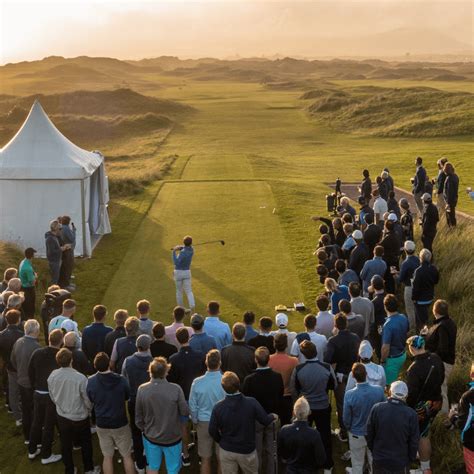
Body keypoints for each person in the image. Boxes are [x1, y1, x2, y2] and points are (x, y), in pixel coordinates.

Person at [209, 371, 277, 474]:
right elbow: (265, 420)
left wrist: (221, 440)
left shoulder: (218, 407)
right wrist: (273, 416)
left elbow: (212, 430)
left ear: (223, 388)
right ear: (239, 384)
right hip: (247, 450)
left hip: (227, 450)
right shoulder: (251, 402)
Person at [135, 357, 189, 474]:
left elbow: (138, 417)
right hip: (172, 437)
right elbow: (184, 412)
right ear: (166, 371)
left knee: (153, 467)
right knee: (173, 469)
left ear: (150, 371)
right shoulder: (176, 389)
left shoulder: (142, 389)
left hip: (151, 437)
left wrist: (145, 429)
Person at [48, 348, 97, 474]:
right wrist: (89, 410)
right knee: (86, 443)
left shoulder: (52, 375)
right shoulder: (80, 378)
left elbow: (52, 396)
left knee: (65, 444)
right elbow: (87, 399)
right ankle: (89, 469)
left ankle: (69, 470)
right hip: (79, 416)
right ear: (71, 360)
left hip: (62, 415)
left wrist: (60, 406)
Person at [291, 340, 337, 472]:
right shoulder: (326, 367)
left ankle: (305, 461)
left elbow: (293, 388)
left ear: (304, 354)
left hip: (306, 408)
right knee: (325, 435)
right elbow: (333, 385)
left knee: (303, 436)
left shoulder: (299, 369)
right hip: (322, 406)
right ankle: (327, 465)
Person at [87, 352, 135, 474]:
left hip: (102, 423)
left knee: (107, 456)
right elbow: (127, 396)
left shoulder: (90, 381)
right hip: (120, 423)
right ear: (109, 364)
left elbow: (90, 398)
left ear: (95, 365)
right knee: (126, 455)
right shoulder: (121, 380)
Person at [406, 336, 445, 474]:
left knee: (423, 436)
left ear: (411, 348)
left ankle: (425, 468)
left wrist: (408, 408)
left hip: (422, 407)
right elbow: (442, 378)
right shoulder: (436, 358)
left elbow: (411, 395)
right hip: (436, 401)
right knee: (424, 432)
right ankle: (421, 456)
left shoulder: (414, 368)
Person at [242, 347, 283, 473]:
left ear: (256, 360)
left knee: (258, 450)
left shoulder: (249, 379)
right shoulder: (277, 377)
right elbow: (280, 396)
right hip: (271, 418)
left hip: (257, 419)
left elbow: (245, 401)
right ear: (268, 359)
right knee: (271, 451)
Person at [168, 327, 206, 466]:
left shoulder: (173, 359)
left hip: (182, 397)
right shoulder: (200, 355)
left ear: (178, 340)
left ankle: (186, 455)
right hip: (196, 396)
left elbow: (171, 381)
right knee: (199, 425)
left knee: (183, 426)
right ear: (189, 338)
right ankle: (202, 455)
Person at [367, 381, 420, 473]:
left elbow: (369, 433)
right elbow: (414, 441)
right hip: (400, 462)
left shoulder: (377, 408)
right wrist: (410, 459)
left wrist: (375, 450)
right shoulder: (411, 414)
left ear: (390, 392)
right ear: (406, 396)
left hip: (379, 459)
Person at [27, 328, 63, 465]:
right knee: (48, 425)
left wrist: (34, 386)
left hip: (38, 393)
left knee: (36, 422)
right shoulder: (60, 356)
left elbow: (30, 371)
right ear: (61, 341)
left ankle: (32, 450)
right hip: (50, 396)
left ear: (49, 339)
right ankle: (46, 455)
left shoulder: (37, 352)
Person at [343, 363, 385, 474]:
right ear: (366, 374)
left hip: (356, 433)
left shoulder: (349, 395)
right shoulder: (379, 390)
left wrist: (349, 429)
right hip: (374, 433)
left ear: (352, 376)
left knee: (357, 464)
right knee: (374, 462)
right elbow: (383, 409)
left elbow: (346, 418)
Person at [324, 314, 360, 442]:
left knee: (342, 405)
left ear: (335, 325)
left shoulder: (333, 341)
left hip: (341, 377)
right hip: (355, 375)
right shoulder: (355, 338)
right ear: (347, 324)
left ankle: (345, 432)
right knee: (354, 403)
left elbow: (327, 360)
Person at [121, 334, 154, 474]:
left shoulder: (128, 361)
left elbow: (123, 379)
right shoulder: (153, 361)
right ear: (148, 347)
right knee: (149, 430)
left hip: (134, 400)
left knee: (136, 431)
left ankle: (140, 464)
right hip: (149, 401)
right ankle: (146, 461)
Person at [189, 350, 225, 474]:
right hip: (221, 423)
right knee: (222, 459)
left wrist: (195, 420)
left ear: (206, 362)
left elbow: (192, 405)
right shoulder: (225, 380)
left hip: (203, 423)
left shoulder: (197, 382)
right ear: (219, 363)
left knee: (205, 458)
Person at [277, 396, 327, 473]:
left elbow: (281, 453)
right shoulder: (314, 434)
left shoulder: (284, 430)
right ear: (308, 413)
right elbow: (321, 459)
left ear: (293, 412)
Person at [424, 299, 457, 413]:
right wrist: (428, 334)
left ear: (434, 311)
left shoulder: (442, 326)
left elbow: (443, 349)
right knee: (440, 389)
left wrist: (429, 355)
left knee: (441, 390)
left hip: (442, 363)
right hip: (446, 361)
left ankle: (443, 418)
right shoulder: (450, 322)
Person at [11, 318, 41, 443]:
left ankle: (27, 437)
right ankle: (36, 440)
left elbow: (13, 361)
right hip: (31, 384)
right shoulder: (36, 347)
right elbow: (38, 369)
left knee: (26, 410)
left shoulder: (18, 341)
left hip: (21, 381)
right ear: (36, 331)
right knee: (34, 413)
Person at [0, 309, 24, 426]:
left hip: (9, 367)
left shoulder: (1, 335)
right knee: (24, 391)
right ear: (18, 320)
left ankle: (18, 418)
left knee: (13, 392)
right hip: (21, 367)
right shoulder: (21, 335)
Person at [269, 333, 298, 426]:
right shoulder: (294, 361)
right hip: (287, 399)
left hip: (274, 397)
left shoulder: (268, 359)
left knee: (273, 427)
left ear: (274, 344)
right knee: (286, 425)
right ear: (286, 345)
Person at [380, 294, 409, 386]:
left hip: (392, 360)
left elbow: (385, 348)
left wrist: (382, 361)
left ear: (385, 307)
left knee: (389, 386)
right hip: (403, 354)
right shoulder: (403, 317)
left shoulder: (388, 325)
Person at [451, 363, 474, 472]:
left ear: (471, 374)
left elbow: (463, 424)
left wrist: (453, 418)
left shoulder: (468, 397)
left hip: (471, 442)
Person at [412, 249, 439, 333]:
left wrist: (414, 298)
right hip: (430, 298)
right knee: (425, 317)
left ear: (421, 258)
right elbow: (436, 281)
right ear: (430, 258)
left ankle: (421, 340)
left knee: (421, 322)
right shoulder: (434, 269)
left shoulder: (418, 271)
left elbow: (415, 288)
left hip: (420, 301)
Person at [396, 240, 420, 331]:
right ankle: (419, 326)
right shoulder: (418, 259)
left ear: (405, 250)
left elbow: (400, 279)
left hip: (409, 287)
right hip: (419, 287)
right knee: (417, 307)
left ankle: (413, 328)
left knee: (410, 309)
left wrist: (396, 275)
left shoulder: (405, 263)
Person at [172, 235, 195, 311]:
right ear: (191, 243)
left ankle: (181, 309)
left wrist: (174, 251)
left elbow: (176, 262)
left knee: (179, 291)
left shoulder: (182, 253)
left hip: (178, 273)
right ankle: (192, 306)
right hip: (187, 272)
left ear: (183, 242)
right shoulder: (192, 250)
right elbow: (186, 248)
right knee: (189, 291)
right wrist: (181, 247)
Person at [380, 220, 401, 294]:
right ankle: (397, 292)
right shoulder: (396, 234)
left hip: (389, 262)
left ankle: (391, 294)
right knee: (394, 277)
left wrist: (383, 234)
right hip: (395, 260)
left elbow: (379, 246)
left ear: (386, 227)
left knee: (389, 279)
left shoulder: (387, 237)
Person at [45, 220, 69, 285]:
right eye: (59, 228)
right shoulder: (50, 238)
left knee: (56, 278)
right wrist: (62, 249)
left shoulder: (54, 237)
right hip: (54, 262)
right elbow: (51, 252)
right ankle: (52, 293)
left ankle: (54, 292)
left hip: (57, 260)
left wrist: (63, 247)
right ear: (56, 229)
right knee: (54, 279)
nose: (60, 230)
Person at [368, 275, 386, 359]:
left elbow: (371, 317)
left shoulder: (374, 302)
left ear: (373, 287)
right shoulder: (388, 296)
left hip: (378, 327)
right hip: (387, 323)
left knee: (379, 346)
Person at [18, 247, 37, 319]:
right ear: (32, 256)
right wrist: (35, 276)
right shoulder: (28, 268)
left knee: (26, 306)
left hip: (23, 286)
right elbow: (32, 282)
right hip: (28, 289)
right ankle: (30, 319)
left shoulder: (23, 261)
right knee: (30, 307)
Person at [58, 216, 76, 289]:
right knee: (68, 266)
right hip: (68, 250)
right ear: (68, 222)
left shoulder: (62, 227)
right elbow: (72, 239)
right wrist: (74, 231)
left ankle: (67, 282)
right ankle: (66, 284)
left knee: (66, 266)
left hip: (65, 249)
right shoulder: (66, 228)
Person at [443, 162, 459, 228]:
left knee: (449, 217)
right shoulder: (455, 176)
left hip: (449, 201)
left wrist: (447, 203)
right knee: (452, 215)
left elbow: (449, 191)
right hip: (454, 199)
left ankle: (451, 230)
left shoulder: (449, 178)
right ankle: (453, 228)